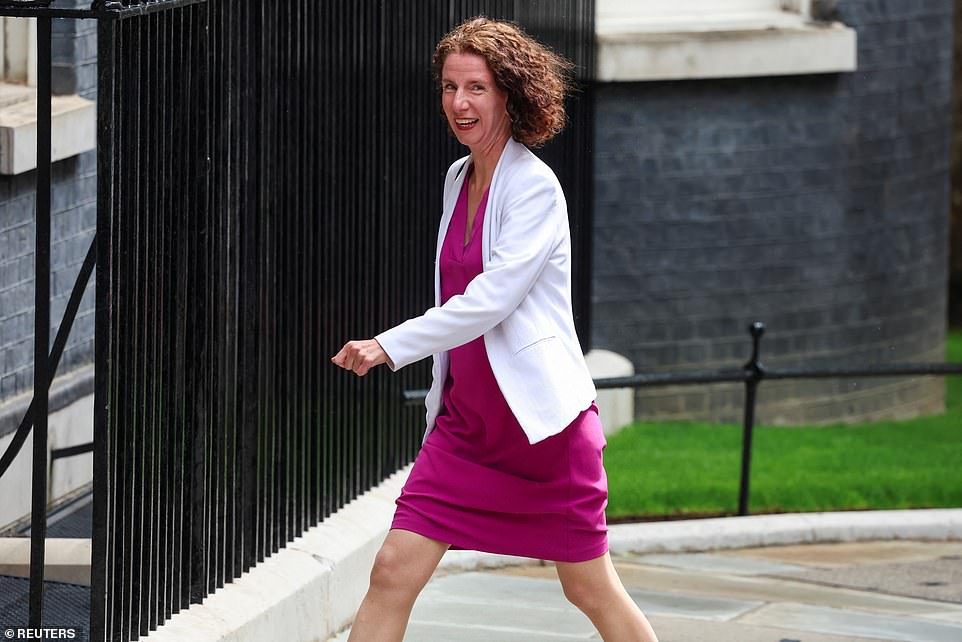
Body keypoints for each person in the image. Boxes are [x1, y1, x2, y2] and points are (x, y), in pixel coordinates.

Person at [331, 16, 660, 642]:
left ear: (509, 93)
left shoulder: (535, 188)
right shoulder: (459, 179)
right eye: (450, 87)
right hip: (468, 425)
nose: (459, 102)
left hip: (542, 429)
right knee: (393, 569)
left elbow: (489, 301)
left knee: (588, 587)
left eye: (476, 87)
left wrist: (388, 345)